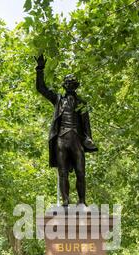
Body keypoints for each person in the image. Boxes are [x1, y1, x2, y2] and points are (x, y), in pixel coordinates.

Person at [35, 54, 98, 206]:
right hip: (61, 139)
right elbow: (41, 88)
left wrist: (89, 139)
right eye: (67, 82)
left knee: (80, 172)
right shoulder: (58, 100)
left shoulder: (82, 103)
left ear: (76, 85)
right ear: (64, 85)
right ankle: (66, 200)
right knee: (62, 172)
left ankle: (82, 201)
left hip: (77, 140)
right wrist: (40, 69)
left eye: (72, 82)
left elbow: (86, 125)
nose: (70, 84)